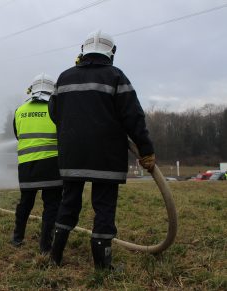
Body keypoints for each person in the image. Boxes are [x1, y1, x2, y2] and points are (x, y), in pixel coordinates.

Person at [48, 30, 155, 269]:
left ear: (82, 51)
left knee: (68, 203)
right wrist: (146, 150)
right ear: (112, 53)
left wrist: (73, 130)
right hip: (106, 156)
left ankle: (55, 257)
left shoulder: (64, 77)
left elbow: (54, 113)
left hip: (72, 154)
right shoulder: (116, 76)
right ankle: (102, 266)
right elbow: (133, 117)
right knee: (104, 205)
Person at [11, 73, 63, 254]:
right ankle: (45, 247)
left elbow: (18, 136)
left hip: (27, 167)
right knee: (52, 206)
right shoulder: (57, 109)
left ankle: (17, 238)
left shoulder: (19, 111)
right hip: (52, 166)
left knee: (25, 203)